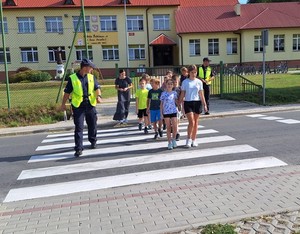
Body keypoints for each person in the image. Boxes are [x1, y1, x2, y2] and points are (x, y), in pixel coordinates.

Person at [61, 58, 102, 157]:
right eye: (90, 67)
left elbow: (97, 88)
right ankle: (78, 148)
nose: (92, 69)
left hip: (90, 105)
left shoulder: (92, 77)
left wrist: (99, 96)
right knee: (79, 128)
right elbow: (67, 93)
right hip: (78, 107)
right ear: (85, 67)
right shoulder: (73, 78)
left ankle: (93, 141)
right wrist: (63, 104)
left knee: (92, 125)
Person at [179, 64, 207, 148]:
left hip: (197, 102)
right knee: (191, 122)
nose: (194, 74)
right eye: (192, 72)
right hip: (188, 102)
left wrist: (205, 105)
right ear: (188, 72)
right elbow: (182, 93)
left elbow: (201, 94)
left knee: (196, 122)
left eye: (195, 72)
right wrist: (179, 103)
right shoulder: (185, 82)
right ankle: (188, 139)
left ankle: (194, 139)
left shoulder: (199, 82)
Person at [160, 79, 178, 150]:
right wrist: (161, 113)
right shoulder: (163, 94)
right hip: (166, 112)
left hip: (173, 111)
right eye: (168, 84)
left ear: (173, 85)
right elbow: (161, 104)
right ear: (166, 85)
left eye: (171, 84)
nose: (169, 85)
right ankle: (169, 142)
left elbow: (176, 101)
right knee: (168, 127)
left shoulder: (174, 93)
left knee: (175, 126)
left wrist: (179, 106)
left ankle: (173, 139)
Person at [172, 74, 181, 141]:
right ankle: (175, 132)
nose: (175, 83)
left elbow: (182, 98)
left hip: (177, 107)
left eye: (176, 82)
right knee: (173, 122)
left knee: (177, 121)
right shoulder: (170, 89)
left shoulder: (179, 89)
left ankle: (177, 132)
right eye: (173, 82)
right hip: (171, 107)